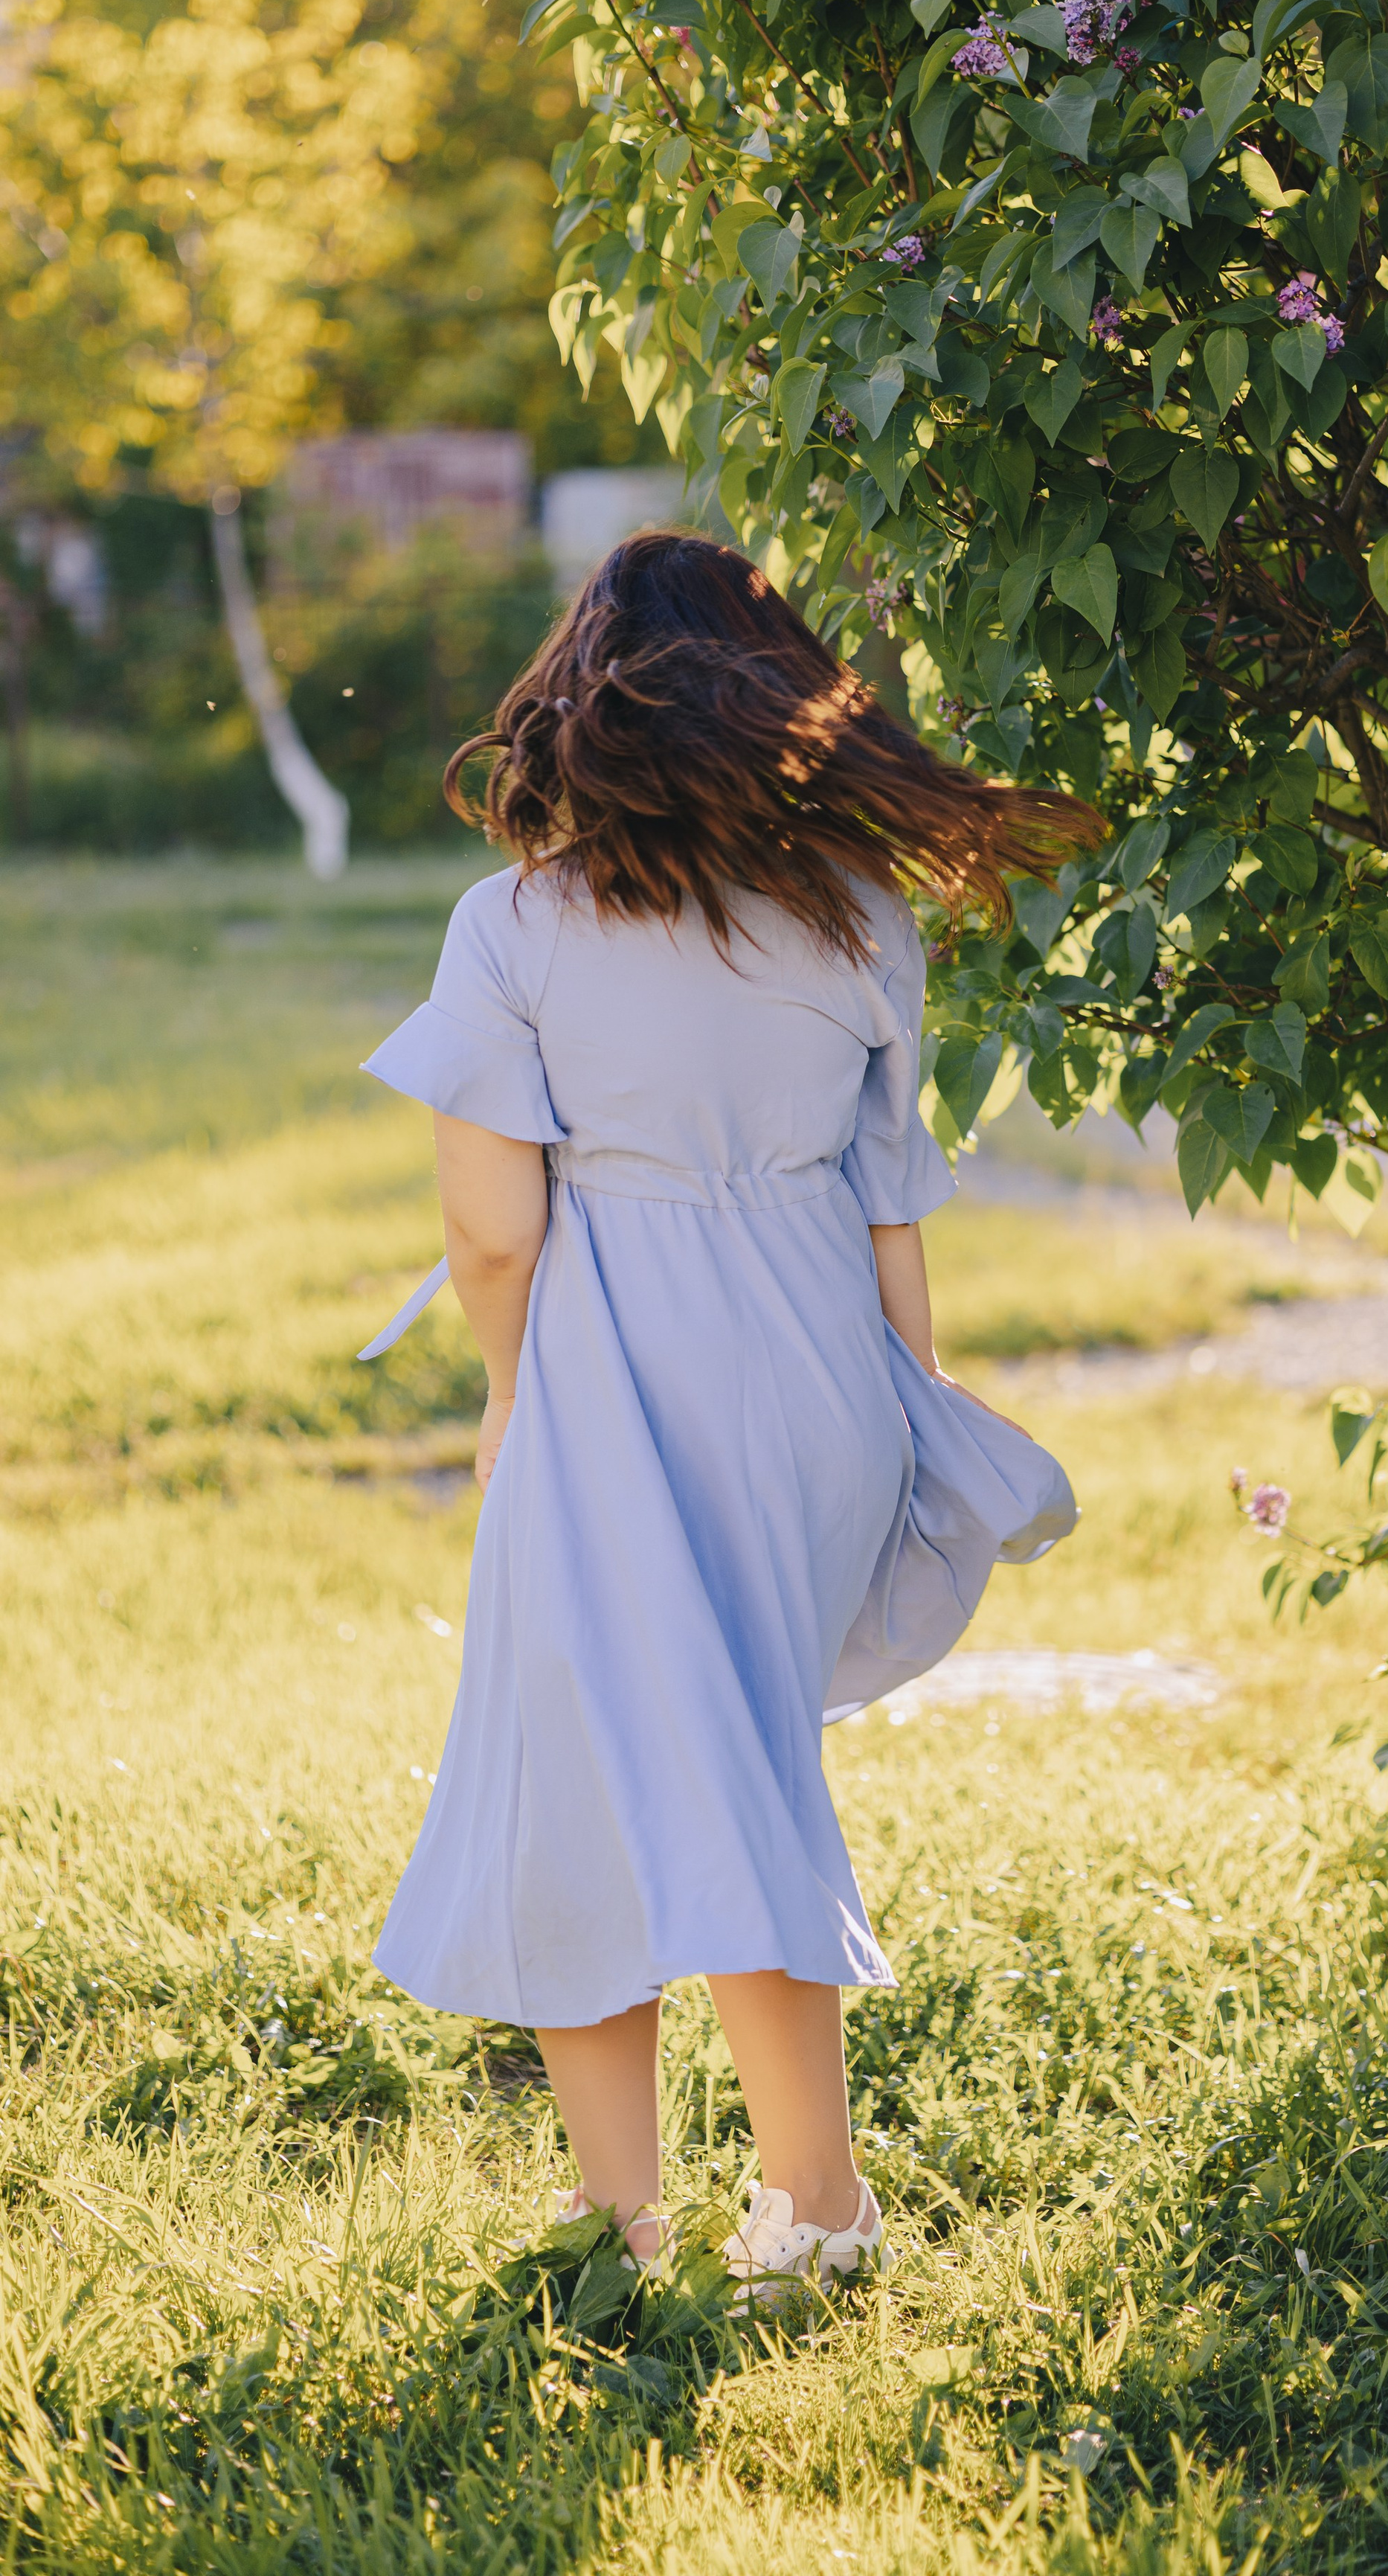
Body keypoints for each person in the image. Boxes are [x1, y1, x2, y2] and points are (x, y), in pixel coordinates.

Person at [355, 531, 1096, 2305]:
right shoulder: (858, 914)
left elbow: (490, 1229)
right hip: (819, 1370)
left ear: (582, 697)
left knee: (581, 1791)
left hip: (622, 1367)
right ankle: (765, 2209)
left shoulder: (514, 924)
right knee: (737, 1753)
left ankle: (722, 2221)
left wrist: (511, 1395)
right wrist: (907, 1416)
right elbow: (889, 1204)